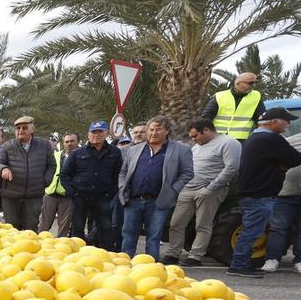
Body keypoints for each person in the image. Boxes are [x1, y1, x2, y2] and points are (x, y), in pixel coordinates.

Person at [227, 108, 301, 277]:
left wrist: (281, 165)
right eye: (286, 120)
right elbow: (296, 158)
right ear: (274, 122)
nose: (289, 124)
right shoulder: (272, 139)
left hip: (252, 193)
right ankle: (238, 265)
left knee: (250, 229)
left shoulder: (255, 137)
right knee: (252, 231)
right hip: (260, 194)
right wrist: (282, 165)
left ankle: (241, 263)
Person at [163, 119, 241, 266]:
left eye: (195, 136)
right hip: (188, 189)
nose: (193, 139)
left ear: (206, 130)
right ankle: (173, 253)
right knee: (176, 223)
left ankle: (195, 256)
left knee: (203, 224)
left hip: (209, 191)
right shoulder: (197, 146)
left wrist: (211, 188)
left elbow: (231, 167)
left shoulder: (229, 143)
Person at [117, 115, 194, 261]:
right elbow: (123, 172)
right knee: (128, 235)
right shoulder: (134, 150)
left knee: (153, 237)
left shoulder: (181, 150)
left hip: (158, 202)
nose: (153, 133)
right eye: (151, 129)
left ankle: (151, 268)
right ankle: (124, 265)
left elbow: (187, 173)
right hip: (133, 201)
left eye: (158, 129)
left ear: (167, 131)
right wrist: (122, 188)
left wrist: (173, 190)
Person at [61, 121, 122, 248]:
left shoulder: (115, 152)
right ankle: (75, 255)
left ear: (106, 134)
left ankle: (107, 254)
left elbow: (118, 175)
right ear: (88, 135)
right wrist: (74, 193)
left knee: (105, 228)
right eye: (94, 132)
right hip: (80, 197)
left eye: (100, 132)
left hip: (102, 198)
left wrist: (110, 193)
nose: (97, 135)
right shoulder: (77, 153)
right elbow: (65, 175)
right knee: (77, 227)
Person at [0, 116, 57, 231]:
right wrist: (3, 169)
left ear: (32, 129)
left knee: (30, 230)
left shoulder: (44, 145)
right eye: (18, 128)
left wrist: (46, 180)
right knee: (11, 230)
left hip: (34, 196)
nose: (21, 131)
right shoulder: (8, 145)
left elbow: (52, 165)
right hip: (11, 197)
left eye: (24, 128)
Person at [263, 144, 301, 273]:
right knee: (278, 228)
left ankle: (300, 260)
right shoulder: (288, 141)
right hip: (284, 194)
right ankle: (272, 259)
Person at [201, 72, 264, 142]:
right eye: (251, 83)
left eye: (255, 82)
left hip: (242, 140)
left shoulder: (256, 96)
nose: (253, 85)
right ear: (238, 83)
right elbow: (206, 117)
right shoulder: (220, 96)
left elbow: (261, 118)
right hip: (217, 138)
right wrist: (208, 135)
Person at [39, 132, 79, 235]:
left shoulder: (81, 157)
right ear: (63, 143)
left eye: (72, 141)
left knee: (64, 228)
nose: (69, 144)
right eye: (67, 142)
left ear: (77, 142)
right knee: (43, 225)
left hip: (67, 196)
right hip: (50, 194)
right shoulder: (55, 155)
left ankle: (61, 249)